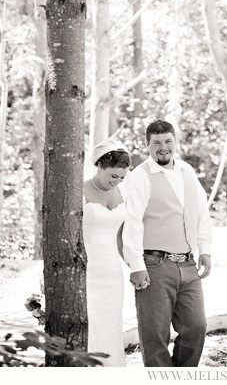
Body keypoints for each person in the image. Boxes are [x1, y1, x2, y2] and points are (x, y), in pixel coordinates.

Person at [122, 120, 212, 367]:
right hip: (154, 265)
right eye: (157, 143)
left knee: (196, 327)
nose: (163, 147)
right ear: (147, 145)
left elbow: (201, 212)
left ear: (175, 142)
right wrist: (136, 265)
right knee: (155, 335)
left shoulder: (187, 171)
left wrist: (205, 250)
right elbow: (132, 222)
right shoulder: (140, 177)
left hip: (188, 263)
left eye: (168, 141)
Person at [82, 139, 131, 367]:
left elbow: (121, 239)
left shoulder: (121, 193)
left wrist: (135, 267)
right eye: (113, 176)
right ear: (100, 166)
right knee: (91, 325)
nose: (117, 182)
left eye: (121, 178)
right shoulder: (79, 189)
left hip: (112, 274)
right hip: (87, 271)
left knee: (111, 325)